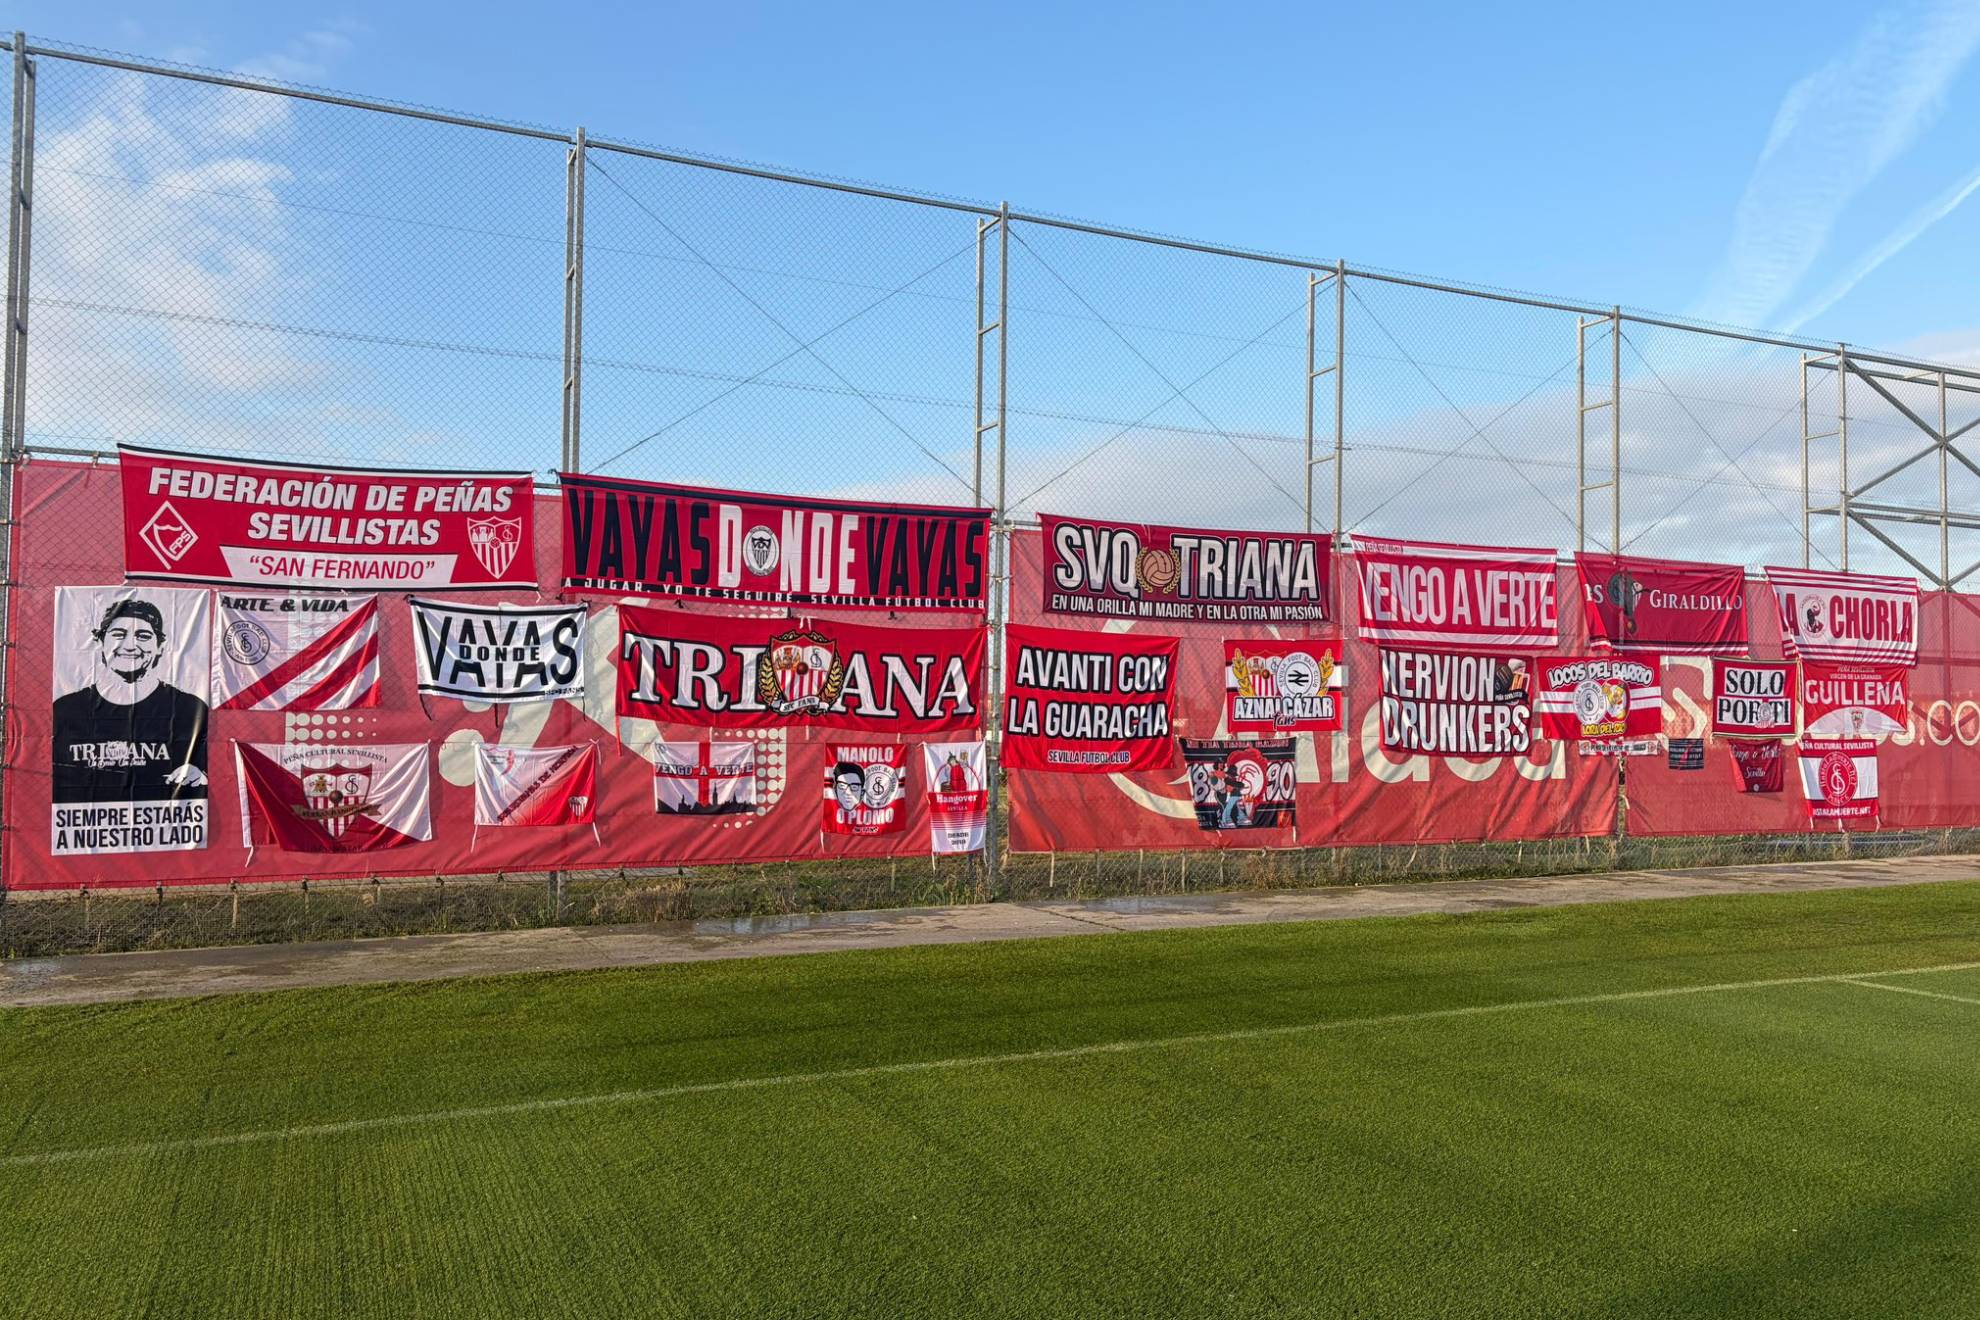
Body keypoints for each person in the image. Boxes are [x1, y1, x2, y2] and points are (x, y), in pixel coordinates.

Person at [52, 598, 208, 804]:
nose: (129, 646)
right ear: (100, 642)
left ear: (160, 646)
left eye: (143, 636)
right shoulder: (66, 710)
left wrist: (199, 776)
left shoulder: (189, 709)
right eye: (118, 635)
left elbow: (207, 772)